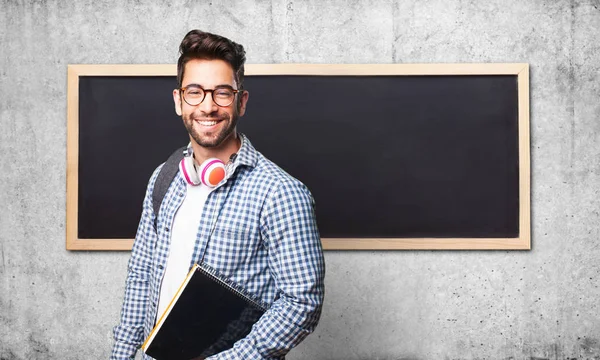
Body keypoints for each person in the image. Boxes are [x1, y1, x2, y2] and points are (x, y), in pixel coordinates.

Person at [111, 30, 326, 360]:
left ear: (241, 101)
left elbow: (302, 303)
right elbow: (141, 276)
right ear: (178, 100)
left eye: (222, 93)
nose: (208, 106)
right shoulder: (163, 178)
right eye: (194, 92)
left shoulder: (281, 193)